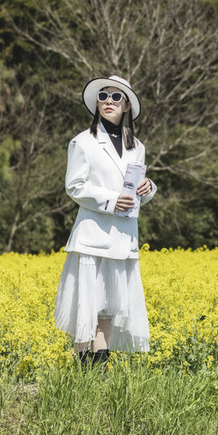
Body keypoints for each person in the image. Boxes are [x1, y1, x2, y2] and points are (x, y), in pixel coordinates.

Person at [53, 75, 157, 368]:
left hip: (123, 237)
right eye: (103, 96)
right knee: (88, 305)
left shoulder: (137, 146)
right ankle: (83, 368)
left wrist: (148, 189)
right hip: (92, 236)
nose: (108, 102)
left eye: (116, 97)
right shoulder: (83, 142)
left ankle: (99, 369)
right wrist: (111, 201)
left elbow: (134, 191)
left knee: (110, 307)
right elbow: (74, 187)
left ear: (126, 105)